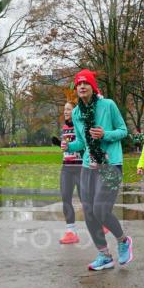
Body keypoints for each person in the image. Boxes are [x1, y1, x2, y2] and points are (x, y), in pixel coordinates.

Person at [63, 69, 132, 271]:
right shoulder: (76, 113)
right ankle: (104, 255)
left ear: (93, 87)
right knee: (89, 212)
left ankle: (122, 240)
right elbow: (80, 143)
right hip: (88, 165)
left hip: (110, 164)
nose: (82, 86)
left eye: (86, 83)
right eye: (78, 84)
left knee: (101, 209)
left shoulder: (108, 105)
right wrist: (69, 146)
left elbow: (123, 131)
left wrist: (105, 134)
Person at [57, 101, 84, 244]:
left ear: (75, 111)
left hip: (80, 167)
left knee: (85, 199)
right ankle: (70, 231)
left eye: (68, 109)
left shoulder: (80, 125)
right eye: (64, 109)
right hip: (67, 167)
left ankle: (101, 222)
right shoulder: (64, 126)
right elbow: (66, 145)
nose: (65, 111)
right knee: (65, 198)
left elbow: (83, 144)